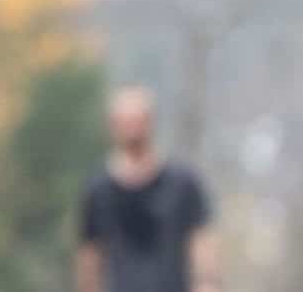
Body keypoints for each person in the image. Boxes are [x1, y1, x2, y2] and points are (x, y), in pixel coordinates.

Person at [77, 86, 221, 292]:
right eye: (125, 121)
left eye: (137, 120)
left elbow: (202, 245)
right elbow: (89, 259)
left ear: (150, 121)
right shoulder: (98, 191)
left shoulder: (183, 183)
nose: (132, 129)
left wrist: (207, 285)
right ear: (112, 126)